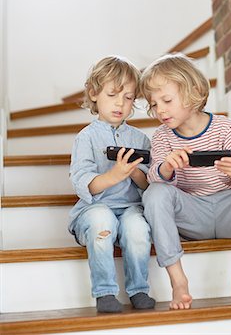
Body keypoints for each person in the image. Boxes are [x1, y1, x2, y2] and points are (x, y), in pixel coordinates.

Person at [139, 53, 231, 310]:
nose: (160, 110)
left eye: (167, 100)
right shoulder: (162, 137)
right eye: (154, 104)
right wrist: (167, 167)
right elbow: (152, 177)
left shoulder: (224, 128)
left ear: (193, 92)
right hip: (192, 216)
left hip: (230, 211)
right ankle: (178, 281)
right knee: (154, 193)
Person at [69, 55, 155, 313]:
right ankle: (105, 292)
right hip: (94, 208)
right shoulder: (85, 138)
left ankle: (139, 290)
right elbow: (84, 183)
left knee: (137, 229)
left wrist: (133, 173)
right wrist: (115, 174)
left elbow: (149, 184)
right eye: (113, 94)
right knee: (102, 221)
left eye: (128, 97)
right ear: (94, 93)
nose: (120, 103)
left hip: (130, 207)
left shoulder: (140, 139)